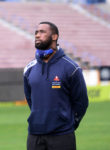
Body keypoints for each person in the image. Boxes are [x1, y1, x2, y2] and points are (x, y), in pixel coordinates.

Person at [24, 22, 89, 150]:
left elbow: (81, 102)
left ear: (54, 36)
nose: (37, 35)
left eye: (42, 32)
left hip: (62, 136)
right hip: (34, 135)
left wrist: (69, 124)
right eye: (36, 32)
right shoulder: (29, 68)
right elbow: (30, 99)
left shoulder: (71, 68)